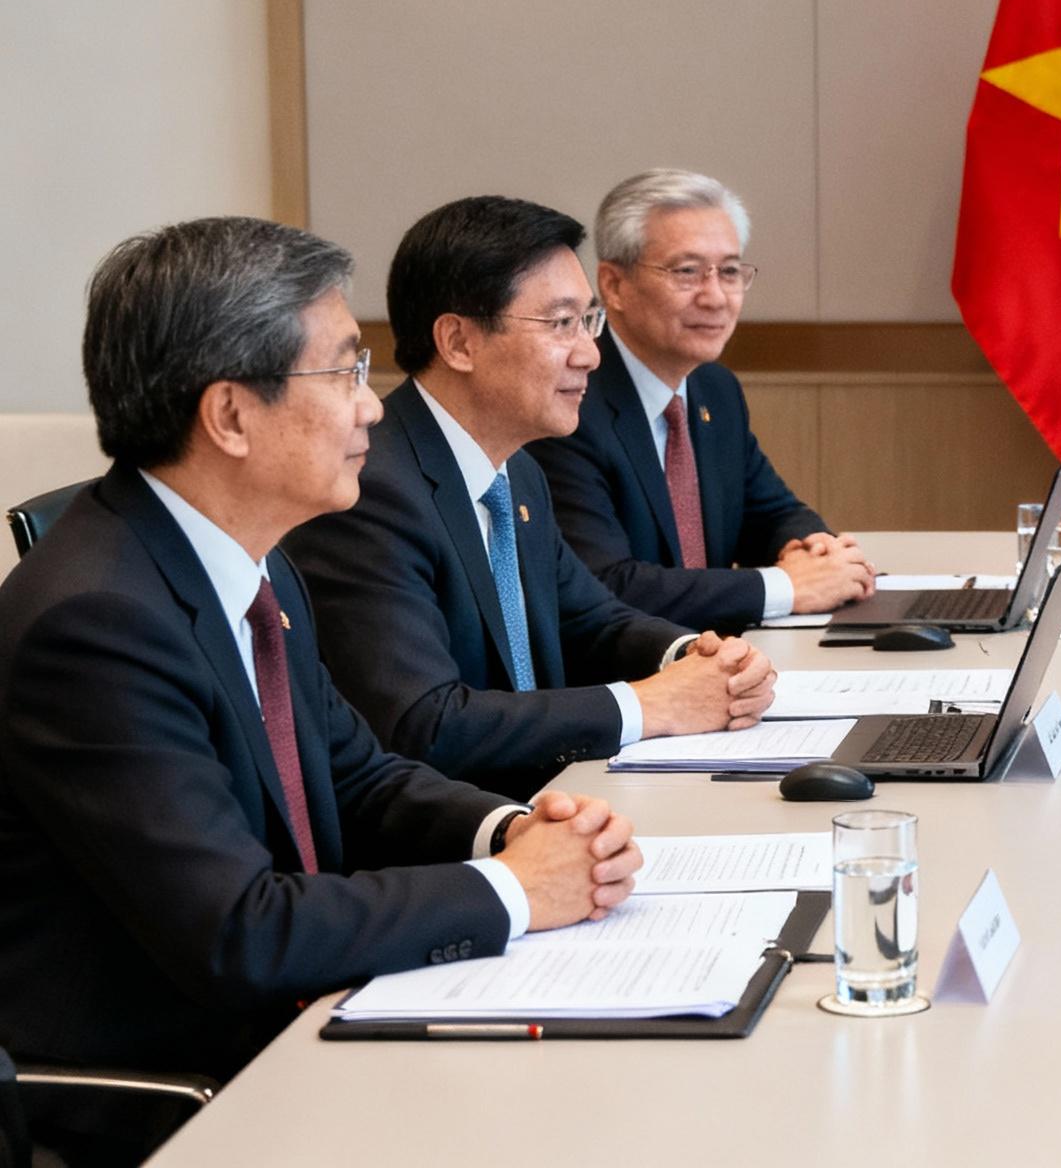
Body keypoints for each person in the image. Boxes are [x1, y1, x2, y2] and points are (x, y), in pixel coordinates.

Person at [0, 218, 642, 1095]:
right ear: (230, 415)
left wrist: (512, 830)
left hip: (309, 1022)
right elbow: (241, 930)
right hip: (188, 1095)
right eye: (344, 372)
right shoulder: (96, 627)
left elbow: (357, 777)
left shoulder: (254, 563)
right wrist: (514, 889)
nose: (373, 406)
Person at [286, 196, 775, 800]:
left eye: (588, 321)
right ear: (458, 342)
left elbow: (590, 620)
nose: (589, 353)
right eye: (561, 323)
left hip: (561, 803)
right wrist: (648, 705)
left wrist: (694, 657)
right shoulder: (371, 494)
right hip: (467, 827)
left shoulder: (516, 470)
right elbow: (425, 724)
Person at [526, 169, 872, 632]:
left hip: (724, 657)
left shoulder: (714, 388)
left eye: (729, 272)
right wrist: (787, 587)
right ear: (614, 285)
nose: (715, 297)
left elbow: (772, 513)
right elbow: (604, 584)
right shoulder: (570, 401)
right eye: (687, 272)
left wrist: (814, 549)